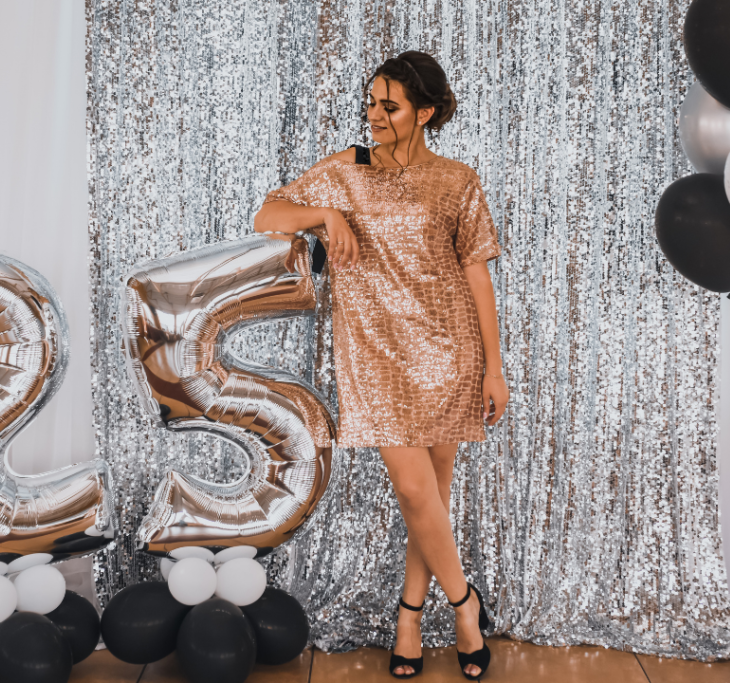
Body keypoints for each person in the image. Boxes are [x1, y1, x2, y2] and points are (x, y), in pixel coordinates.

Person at [253, 50, 508, 681]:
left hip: (448, 352)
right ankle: (466, 604)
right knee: (415, 490)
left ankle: (410, 615)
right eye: (369, 102)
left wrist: (493, 368)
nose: (373, 115)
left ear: (423, 113)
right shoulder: (349, 168)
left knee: (434, 502)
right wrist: (326, 214)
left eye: (388, 106)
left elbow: (476, 274)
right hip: (374, 356)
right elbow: (268, 215)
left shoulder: (457, 180)